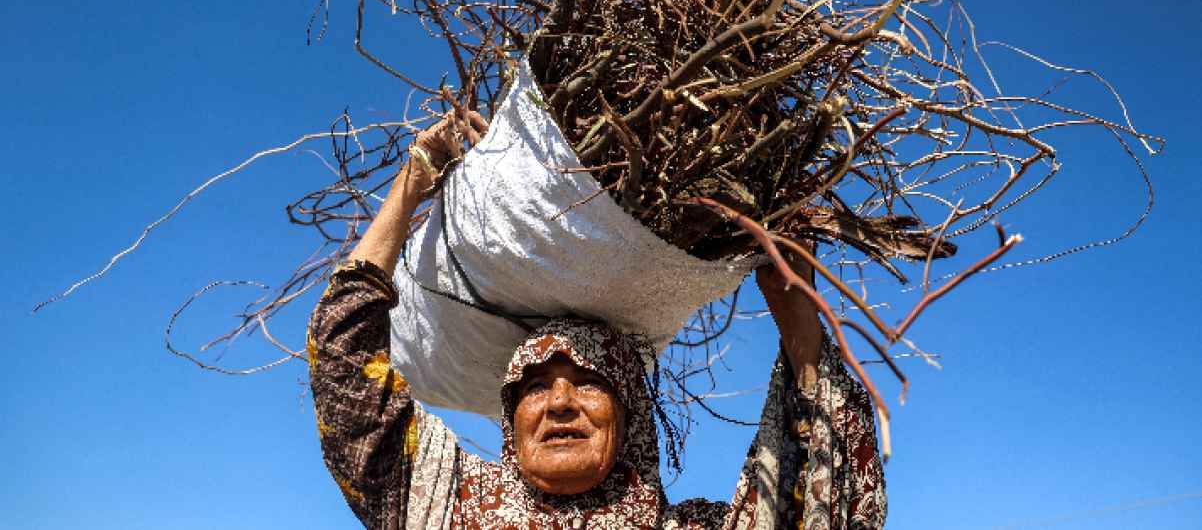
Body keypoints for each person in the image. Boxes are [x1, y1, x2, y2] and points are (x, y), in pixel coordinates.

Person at [308, 111, 886, 529]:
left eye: (588, 381)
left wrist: (799, 325)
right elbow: (344, 367)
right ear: (509, 420)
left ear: (628, 411)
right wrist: (414, 182)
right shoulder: (449, 509)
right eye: (534, 386)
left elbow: (820, 503)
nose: (560, 402)